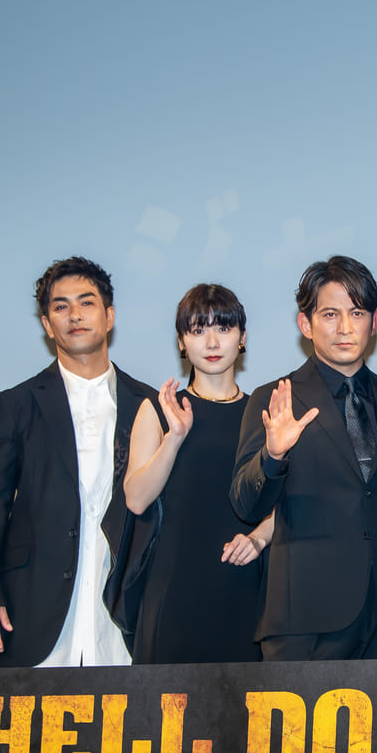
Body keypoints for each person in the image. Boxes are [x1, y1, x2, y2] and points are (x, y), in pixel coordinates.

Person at [229, 256, 377, 661]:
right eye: (330, 314)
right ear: (305, 324)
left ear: (374, 323)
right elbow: (245, 503)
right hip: (303, 618)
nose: (345, 327)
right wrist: (273, 455)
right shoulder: (275, 399)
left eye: (357, 313)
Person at [0, 257, 155, 667]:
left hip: (124, 615)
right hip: (32, 610)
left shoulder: (150, 404)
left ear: (109, 316)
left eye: (86, 303)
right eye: (60, 306)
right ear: (47, 325)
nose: (74, 315)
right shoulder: (16, 404)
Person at [123, 284, 270, 664]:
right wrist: (174, 439)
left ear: (242, 337)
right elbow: (136, 499)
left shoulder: (263, 413)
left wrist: (258, 538)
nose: (212, 342)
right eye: (198, 330)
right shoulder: (159, 409)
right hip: (173, 585)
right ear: (181, 342)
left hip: (244, 581)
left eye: (223, 328)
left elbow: (287, 502)